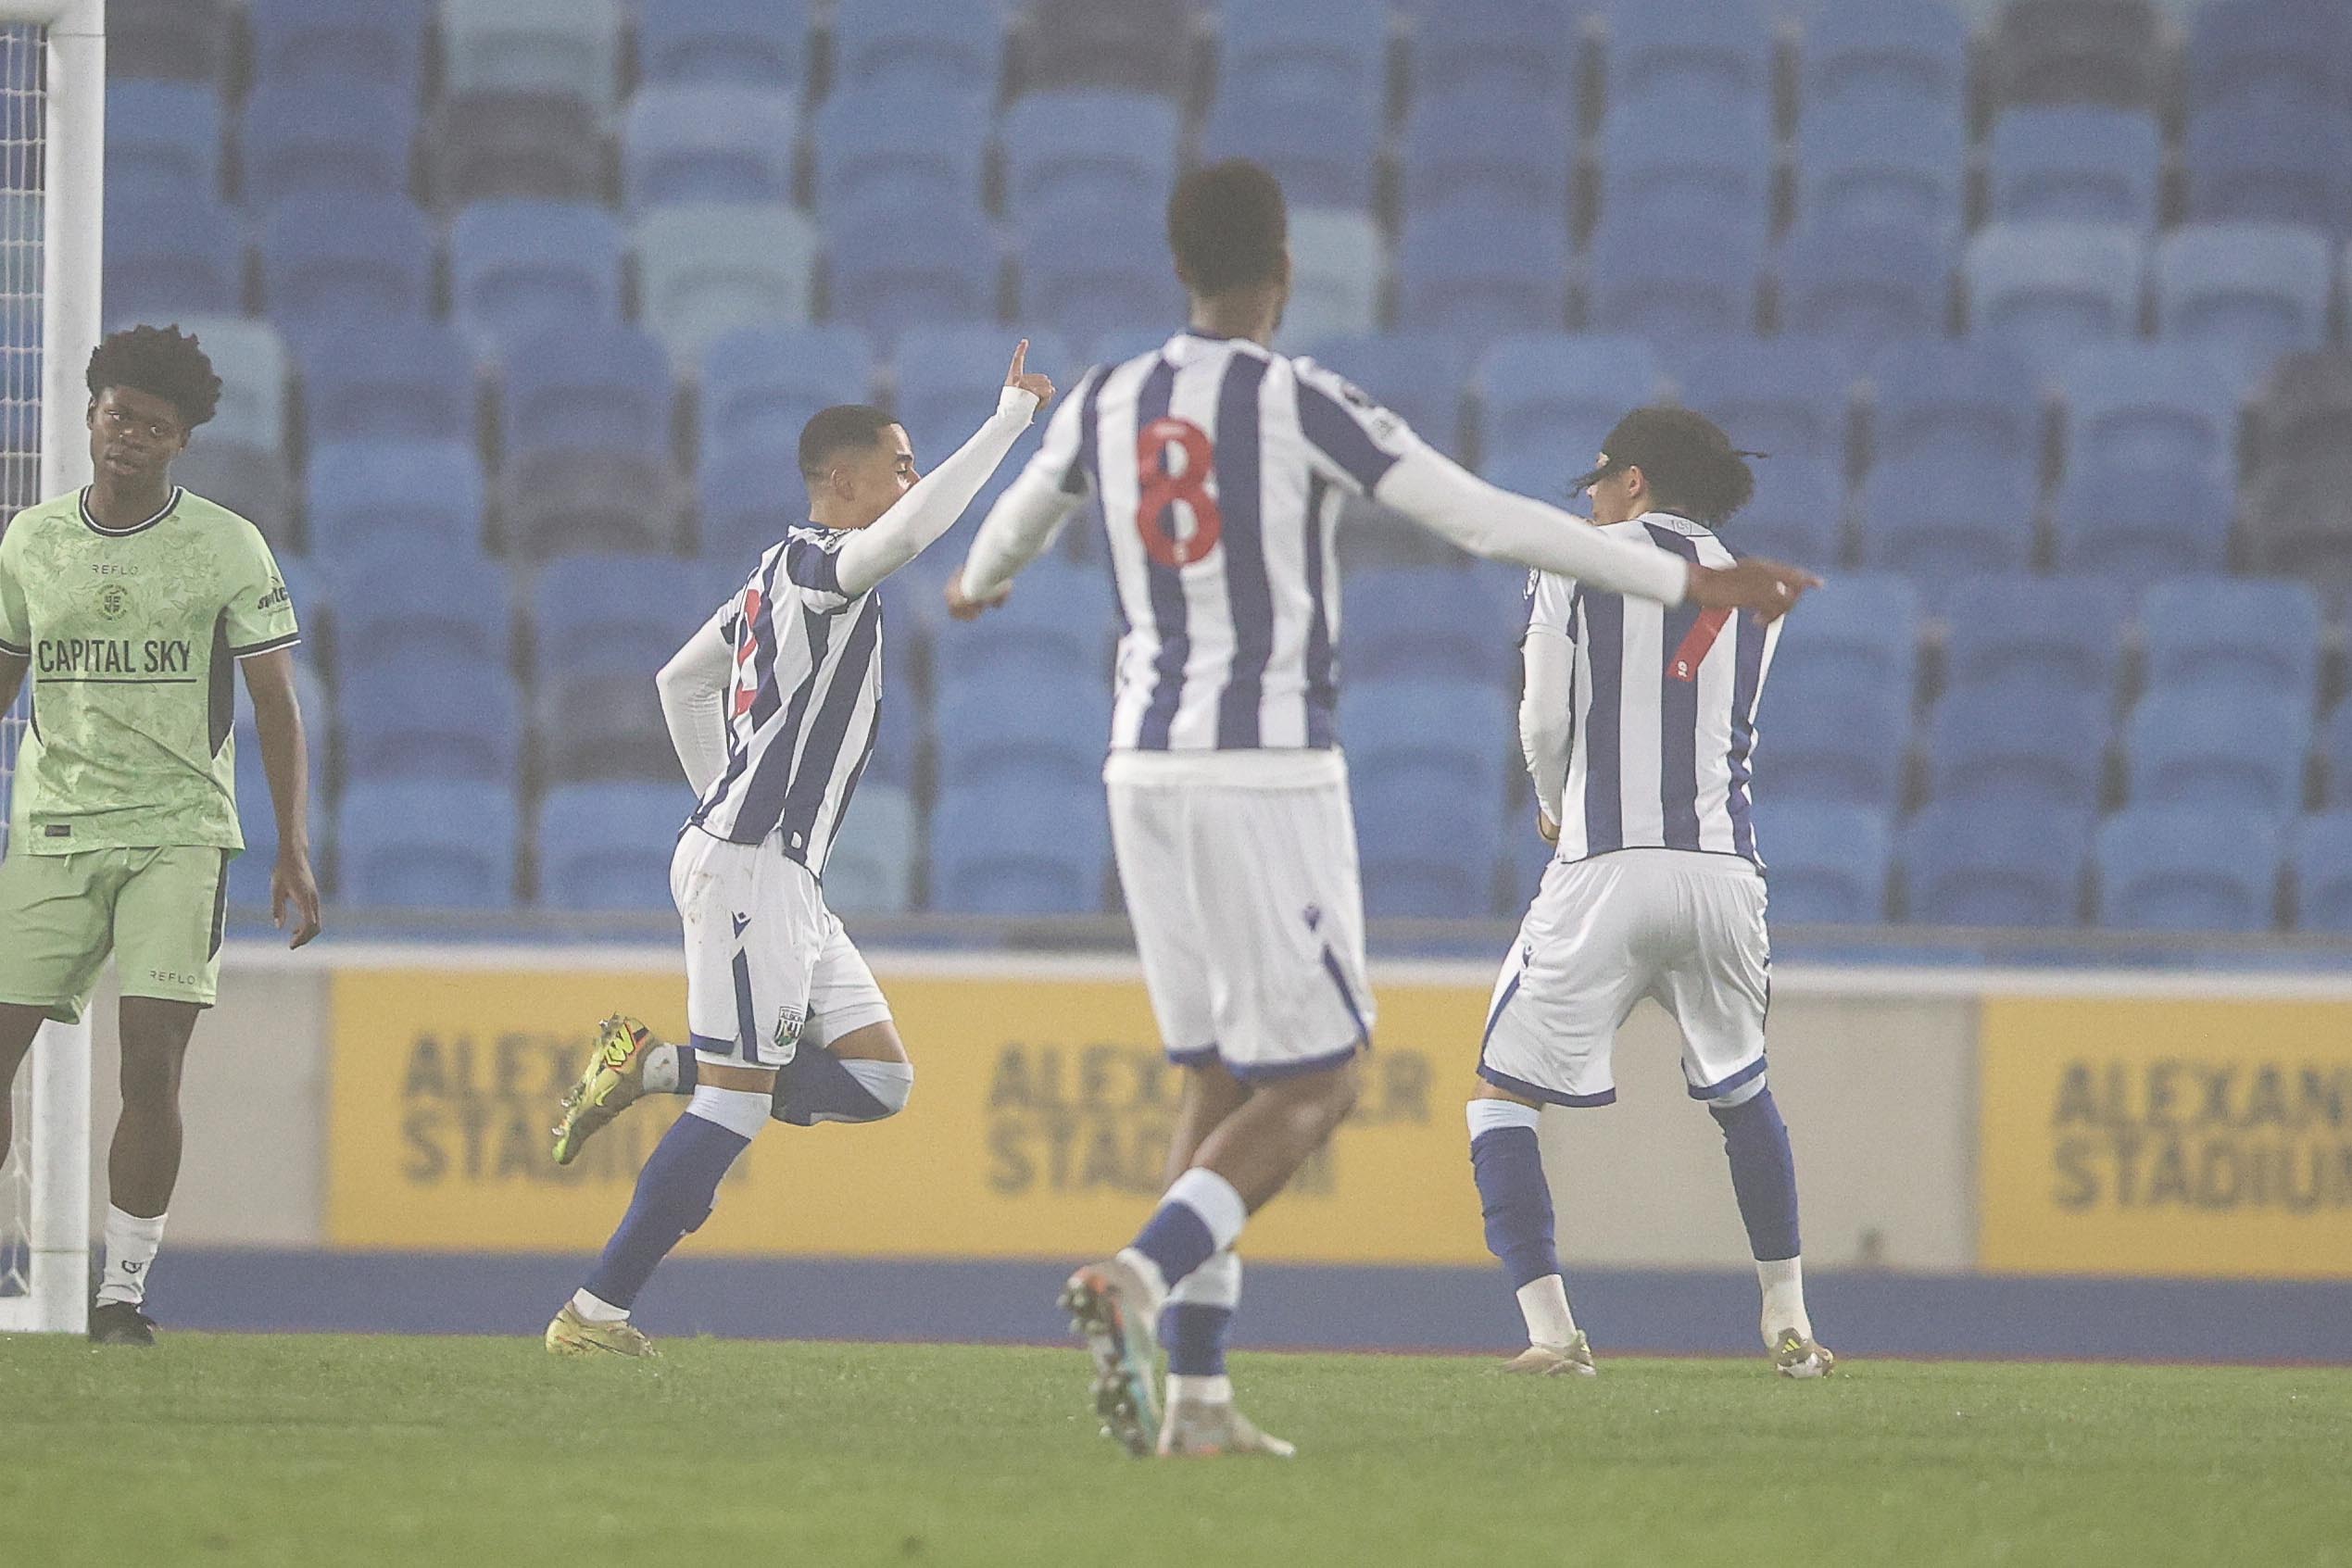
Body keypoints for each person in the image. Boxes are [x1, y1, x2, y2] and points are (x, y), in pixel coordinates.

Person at [944, 160, 1821, 1456]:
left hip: (1137, 769)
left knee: (1214, 1078)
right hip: (1266, 770)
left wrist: (974, 583)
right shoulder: (1303, 403)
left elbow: (1008, 532)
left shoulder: (1108, 400)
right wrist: (1687, 591)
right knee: (1319, 1082)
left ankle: (1195, 1396)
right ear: (1281, 273)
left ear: (1175, 265)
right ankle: (1133, 1274)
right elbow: (1478, 520)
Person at [544, 341, 1055, 1357]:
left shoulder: (767, 583)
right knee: (736, 1107)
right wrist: (1004, 423)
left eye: (913, 465)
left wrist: (725, 808)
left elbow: (677, 684)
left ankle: (648, 1070)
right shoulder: (819, 566)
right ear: (845, 481)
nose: (908, 483)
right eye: (899, 465)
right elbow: (906, 537)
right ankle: (594, 1315)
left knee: (877, 1081)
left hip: (773, 869)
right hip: (751, 865)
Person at [1468, 406, 1834, 1380]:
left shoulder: (1570, 561)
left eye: (1595, 481)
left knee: (1502, 1096)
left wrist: (1552, 805)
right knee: (1742, 1088)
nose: (1586, 498)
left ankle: (1552, 1333)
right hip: (1722, 871)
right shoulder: (1754, 590)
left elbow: (1545, 718)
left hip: (1605, 864)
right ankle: (1788, 1322)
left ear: (1632, 481)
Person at [0, 324, 321, 1346]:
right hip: (51, 827)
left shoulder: (225, 546)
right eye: (116, 414)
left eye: (153, 423)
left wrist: (293, 845)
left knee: (150, 1063)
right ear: (90, 416)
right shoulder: (30, 541)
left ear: (182, 441)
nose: (129, 434)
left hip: (178, 834)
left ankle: (122, 1293)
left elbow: (276, 705)